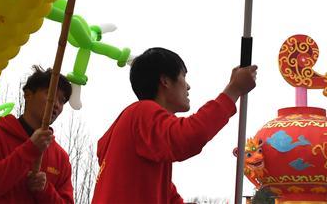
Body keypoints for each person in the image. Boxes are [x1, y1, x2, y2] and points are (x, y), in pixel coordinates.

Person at [91, 47, 257, 203]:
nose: (188, 86)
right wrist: (233, 90)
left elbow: (170, 198)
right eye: (183, 76)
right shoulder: (141, 112)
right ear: (165, 81)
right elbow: (188, 136)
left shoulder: (143, 140)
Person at [0, 67, 74, 203]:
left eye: (61, 100)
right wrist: (30, 149)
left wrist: (44, 190)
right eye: (50, 94)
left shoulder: (61, 158)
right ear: (28, 95)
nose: (56, 105)